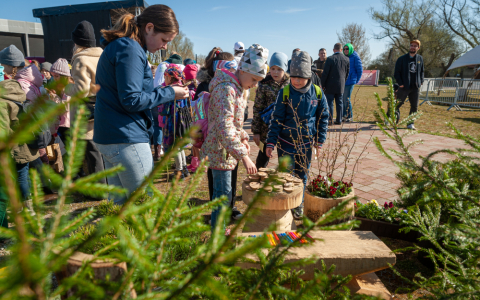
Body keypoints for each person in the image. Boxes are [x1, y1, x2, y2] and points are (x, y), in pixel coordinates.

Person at [93, 5, 189, 205]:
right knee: (145, 207)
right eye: (164, 40)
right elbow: (132, 99)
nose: (164, 46)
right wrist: (170, 92)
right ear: (149, 28)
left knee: (118, 207)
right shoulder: (130, 49)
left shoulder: (122, 47)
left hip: (111, 135)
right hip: (125, 138)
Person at [203, 44, 267, 230]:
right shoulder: (227, 90)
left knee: (223, 195)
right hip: (221, 151)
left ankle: (219, 228)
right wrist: (245, 157)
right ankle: (218, 235)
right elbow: (224, 128)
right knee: (223, 196)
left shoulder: (237, 88)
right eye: (254, 79)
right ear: (242, 70)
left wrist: (243, 136)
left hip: (227, 151)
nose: (255, 85)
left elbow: (234, 123)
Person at [266, 50, 329, 220]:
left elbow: (324, 116)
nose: (297, 80)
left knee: (302, 175)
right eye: (294, 76)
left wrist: (319, 140)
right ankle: (285, 203)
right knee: (285, 175)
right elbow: (276, 118)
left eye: (301, 77)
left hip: (306, 143)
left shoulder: (317, 92)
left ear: (309, 76)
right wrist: (270, 142)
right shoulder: (285, 92)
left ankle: (298, 204)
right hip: (286, 142)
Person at [195, 48, 243, 220]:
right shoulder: (216, 86)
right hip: (215, 142)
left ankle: (229, 207)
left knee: (230, 179)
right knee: (218, 183)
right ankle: (219, 214)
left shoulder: (232, 86)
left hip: (228, 144)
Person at [64, 20, 106, 187]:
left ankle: (99, 190)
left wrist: (66, 87)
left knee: (92, 153)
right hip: (101, 109)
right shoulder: (102, 56)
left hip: (86, 115)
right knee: (101, 152)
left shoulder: (81, 60)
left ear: (77, 42)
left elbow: (81, 90)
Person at [0, 79, 39, 213]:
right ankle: (28, 206)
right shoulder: (21, 101)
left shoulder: (3, 104)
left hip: (16, 147)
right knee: (24, 175)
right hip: (27, 145)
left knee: (17, 177)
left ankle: (24, 206)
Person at [252, 52, 290, 169]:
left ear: (284, 69)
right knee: (262, 160)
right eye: (273, 68)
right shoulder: (264, 85)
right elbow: (257, 108)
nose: (275, 72)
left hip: (285, 130)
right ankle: (259, 179)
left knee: (284, 161)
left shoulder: (291, 85)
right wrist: (256, 131)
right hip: (266, 131)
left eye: (279, 69)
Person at [159, 65, 190, 178]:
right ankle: (184, 168)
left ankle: (179, 171)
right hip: (182, 122)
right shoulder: (183, 88)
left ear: (170, 77)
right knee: (179, 146)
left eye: (165, 77)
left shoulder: (171, 90)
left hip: (173, 121)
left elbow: (165, 110)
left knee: (174, 147)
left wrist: (160, 107)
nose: (164, 80)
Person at [393, 40, 424, 130]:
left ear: (418, 48)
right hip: (404, 86)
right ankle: (389, 119)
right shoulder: (402, 58)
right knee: (397, 104)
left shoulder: (420, 58)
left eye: (415, 46)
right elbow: (397, 73)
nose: (412, 47)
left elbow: (422, 71)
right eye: (411, 45)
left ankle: (410, 124)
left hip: (415, 87)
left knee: (414, 106)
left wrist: (421, 80)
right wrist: (400, 84)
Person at [321, 43, 350, 125]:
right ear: (341, 50)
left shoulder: (330, 59)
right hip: (341, 84)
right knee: (340, 102)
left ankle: (330, 120)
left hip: (330, 84)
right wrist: (343, 81)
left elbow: (325, 73)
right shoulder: (346, 59)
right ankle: (339, 120)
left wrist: (322, 84)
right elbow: (347, 73)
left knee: (330, 102)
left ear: (334, 50)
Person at [50, 58, 72, 145]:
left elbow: (66, 107)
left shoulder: (69, 87)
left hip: (68, 124)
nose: (54, 78)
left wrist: (54, 98)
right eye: (53, 76)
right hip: (62, 124)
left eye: (56, 76)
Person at [342, 43, 363, 122]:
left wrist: (355, 80)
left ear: (351, 49)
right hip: (343, 82)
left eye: (347, 49)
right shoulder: (344, 57)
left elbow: (360, 70)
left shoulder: (355, 57)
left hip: (350, 81)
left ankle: (350, 116)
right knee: (343, 99)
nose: (345, 50)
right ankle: (344, 115)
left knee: (347, 99)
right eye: (344, 49)